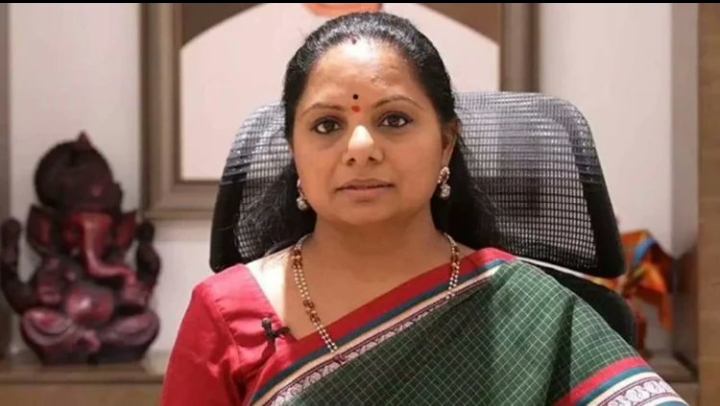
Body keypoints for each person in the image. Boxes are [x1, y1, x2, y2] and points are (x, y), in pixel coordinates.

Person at [160, 11, 688, 406]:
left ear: (446, 143)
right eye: (327, 125)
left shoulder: (528, 307)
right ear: (294, 152)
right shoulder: (225, 312)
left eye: (394, 120)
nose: (360, 147)